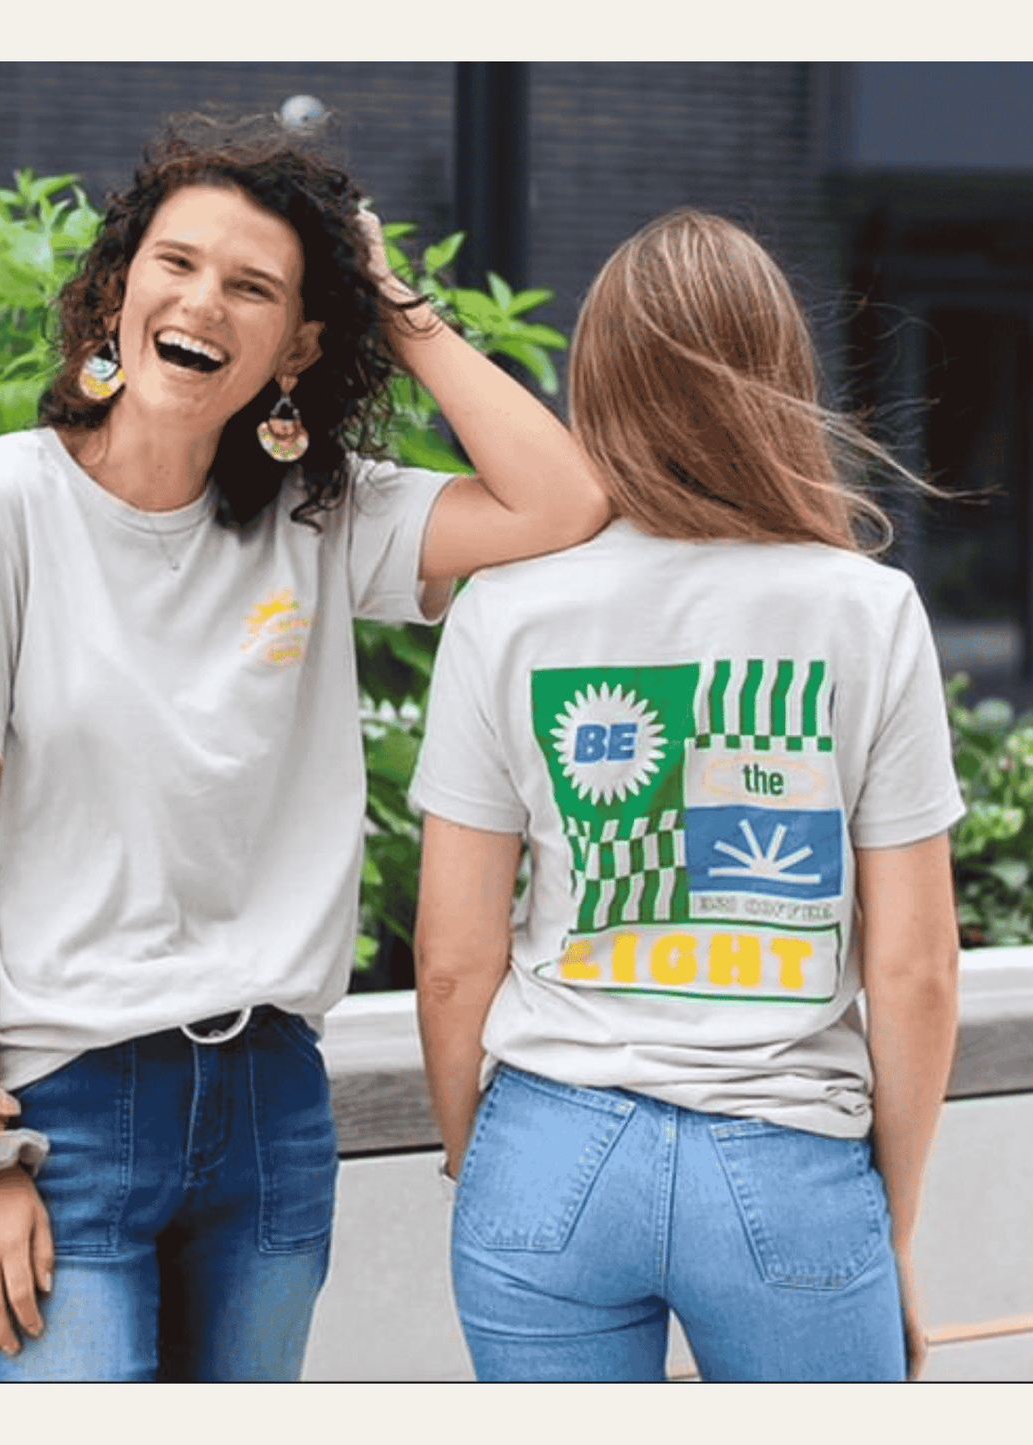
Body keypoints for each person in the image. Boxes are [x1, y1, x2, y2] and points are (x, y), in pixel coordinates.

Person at [0, 112, 607, 1383]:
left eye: (252, 287)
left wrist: (392, 300)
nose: (200, 302)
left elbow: (560, 499)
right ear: (116, 293)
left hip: (272, 1106)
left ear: (297, 345)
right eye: (173, 264)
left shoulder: (321, 516)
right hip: (57, 1112)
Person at [410, 209, 965, 1383]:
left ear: (593, 383)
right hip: (788, 1166)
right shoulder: (865, 612)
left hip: (546, 1148)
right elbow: (914, 970)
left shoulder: (503, 607)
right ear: (777, 377)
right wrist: (891, 1233)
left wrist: (484, 1160)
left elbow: (453, 958)